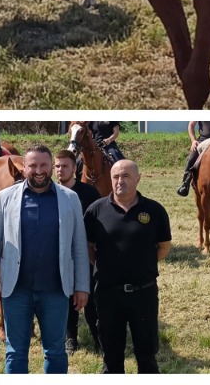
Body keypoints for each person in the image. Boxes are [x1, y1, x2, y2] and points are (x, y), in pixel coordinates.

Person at [0, 146, 90, 374]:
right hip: (16, 290)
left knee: (55, 350)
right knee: (15, 351)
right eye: (32, 165)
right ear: (25, 167)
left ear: (51, 166)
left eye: (43, 165)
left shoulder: (70, 199)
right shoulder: (5, 198)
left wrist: (81, 286)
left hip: (55, 290)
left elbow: (79, 246)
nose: (38, 170)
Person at [85, 160, 171, 374]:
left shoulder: (154, 210)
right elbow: (88, 247)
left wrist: (141, 266)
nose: (119, 181)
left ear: (138, 179)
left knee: (147, 355)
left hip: (144, 292)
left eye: (125, 176)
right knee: (111, 356)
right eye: (115, 177)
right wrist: (107, 266)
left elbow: (163, 246)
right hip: (107, 294)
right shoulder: (96, 210)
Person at [55, 149, 102, 353]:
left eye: (65, 166)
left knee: (90, 297)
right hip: (59, 254)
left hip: (85, 254)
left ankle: (97, 336)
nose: (60, 170)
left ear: (75, 168)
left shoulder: (89, 193)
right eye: (57, 166)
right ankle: (71, 338)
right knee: (65, 296)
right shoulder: (49, 193)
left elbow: (98, 225)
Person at [176, 121, 210, 197]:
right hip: (203, 141)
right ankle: (185, 183)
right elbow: (191, 125)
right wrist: (193, 141)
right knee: (191, 159)